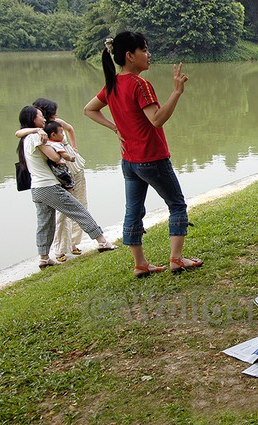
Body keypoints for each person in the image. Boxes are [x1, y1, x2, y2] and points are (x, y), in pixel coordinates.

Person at [84, 31, 202, 278]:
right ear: (130, 55)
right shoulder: (140, 85)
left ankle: (140, 264)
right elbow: (157, 120)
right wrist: (177, 92)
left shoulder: (113, 84)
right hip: (153, 158)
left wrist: (115, 127)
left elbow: (89, 109)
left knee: (133, 210)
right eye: (144, 50)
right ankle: (177, 259)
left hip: (129, 161)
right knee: (177, 204)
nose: (149, 55)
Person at [16, 106, 117, 269]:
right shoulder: (36, 137)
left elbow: (19, 133)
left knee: (45, 223)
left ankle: (44, 258)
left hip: (37, 189)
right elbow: (55, 157)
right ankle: (102, 241)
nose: (43, 119)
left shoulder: (26, 138)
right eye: (40, 116)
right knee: (78, 210)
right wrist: (58, 149)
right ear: (33, 119)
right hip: (49, 186)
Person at [16, 98, 88, 262]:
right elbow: (19, 133)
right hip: (61, 172)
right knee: (64, 211)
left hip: (74, 165)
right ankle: (60, 248)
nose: (55, 115)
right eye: (52, 112)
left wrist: (74, 147)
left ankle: (74, 243)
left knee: (81, 203)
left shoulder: (56, 123)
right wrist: (34, 130)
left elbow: (70, 129)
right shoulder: (38, 131)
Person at [43, 121, 75, 191]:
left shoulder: (48, 143)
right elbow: (64, 156)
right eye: (61, 132)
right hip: (60, 167)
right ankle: (70, 191)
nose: (63, 135)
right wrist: (71, 158)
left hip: (53, 167)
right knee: (69, 181)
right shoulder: (57, 144)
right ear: (53, 135)